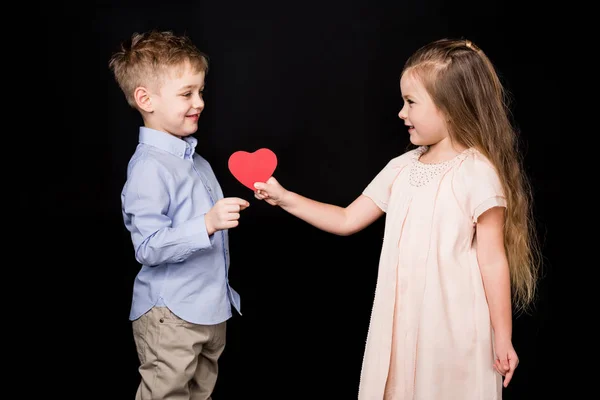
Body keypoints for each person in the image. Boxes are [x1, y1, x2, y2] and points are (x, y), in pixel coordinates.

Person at [254, 38, 540, 399]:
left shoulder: (476, 172)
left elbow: (492, 260)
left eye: (411, 102)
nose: (401, 113)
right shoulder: (401, 168)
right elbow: (346, 219)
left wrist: (503, 337)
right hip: (402, 323)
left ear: (449, 108)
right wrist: (284, 198)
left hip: (451, 328)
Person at [109, 30, 249, 400]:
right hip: (171, 315)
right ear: (146, 99)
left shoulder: (196, 162)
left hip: (209, 309)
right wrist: (206, 223)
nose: (199, 102)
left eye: (201, 92)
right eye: (187, 93)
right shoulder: (147, 169)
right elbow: (149, 247)